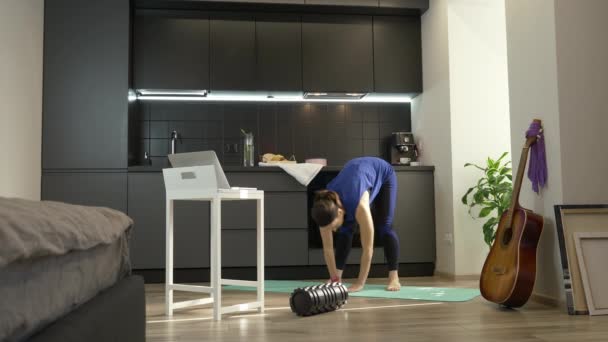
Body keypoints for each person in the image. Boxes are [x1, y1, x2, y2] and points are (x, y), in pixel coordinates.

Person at [311, 157, 401, 292]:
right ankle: (339, 276)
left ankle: (394, 277)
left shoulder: (360, 206)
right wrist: (335, 279)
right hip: (357, 174)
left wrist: (360, 283)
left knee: (384, 227)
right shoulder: (324, 207)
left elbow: (368, 249)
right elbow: (328, 249)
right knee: (345, 230)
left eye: (333, 226)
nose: (333, 230)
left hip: (383, 173)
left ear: (340, 212)